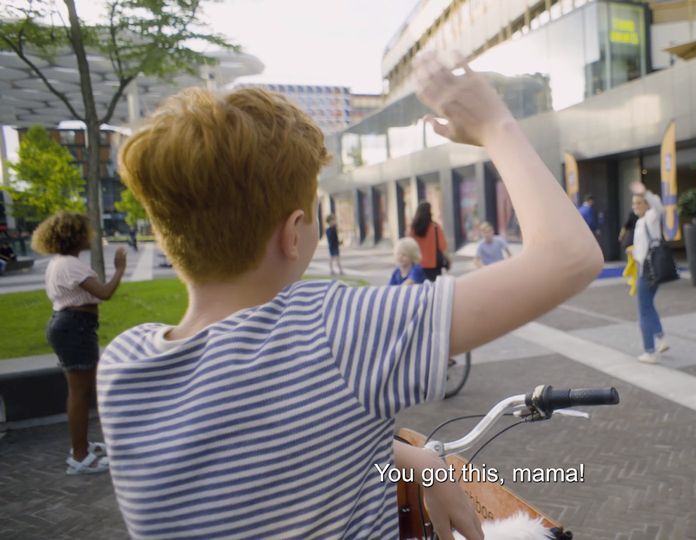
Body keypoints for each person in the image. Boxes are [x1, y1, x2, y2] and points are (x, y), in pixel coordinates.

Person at [99, 52, 602, 539]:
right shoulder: (326, 331)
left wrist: (423, 463)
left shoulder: (122, 366)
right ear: (294, 233)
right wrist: (496, 125)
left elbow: (271, 442)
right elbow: (570, 256)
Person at [31, 212, 126, 475]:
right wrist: (119, 269)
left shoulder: (60, 262)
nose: (90, 235)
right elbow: (105, 293)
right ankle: (80, 457)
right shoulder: (71, 265)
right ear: (74, 236)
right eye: (86, 231)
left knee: (82, 391)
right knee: (80, 393)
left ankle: (82, 446)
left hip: (70, 325)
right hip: (75, 327)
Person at [629, 185, 670, 364]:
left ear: (646, 205)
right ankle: (661, 338)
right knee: (648, 305)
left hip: (648, 270)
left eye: (639, 203)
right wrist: (634, 251)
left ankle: (649, 351)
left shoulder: (651, 218)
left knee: (643, 310)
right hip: (645, 268)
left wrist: (645, 192)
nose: (635, 206)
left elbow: (660, 207)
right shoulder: (639, 222)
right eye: (633, 203)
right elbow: (643, 246)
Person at [408, 201, 451, 282]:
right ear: (430, 212)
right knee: (432, 290)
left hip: (416, 265)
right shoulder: (435, 228)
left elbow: (408, 246)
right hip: (433, 265)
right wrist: (449, 260)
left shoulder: (412, 229)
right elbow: (442, 247)